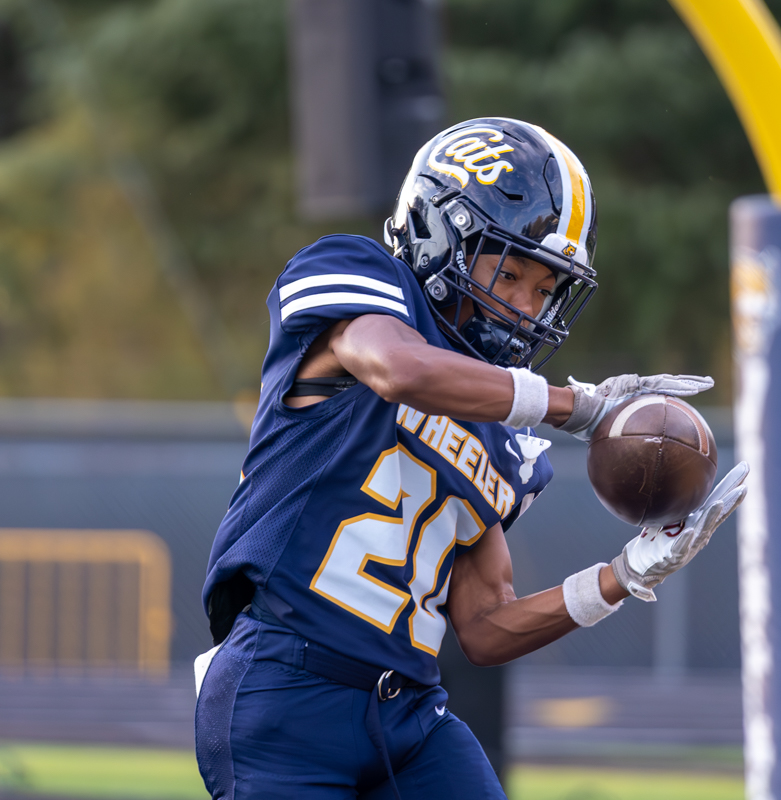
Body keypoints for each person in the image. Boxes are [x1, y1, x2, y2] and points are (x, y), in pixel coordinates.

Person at [194, 117, 748, 800]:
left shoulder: (505, 434)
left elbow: (484, 627)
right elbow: (398, 369)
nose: (523, 307)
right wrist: (575, 406)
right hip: (285, 687)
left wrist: (621, 575)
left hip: (410, 713)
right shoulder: (358, 275)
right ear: (438, 236)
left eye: (545, 290)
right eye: (509, 272)